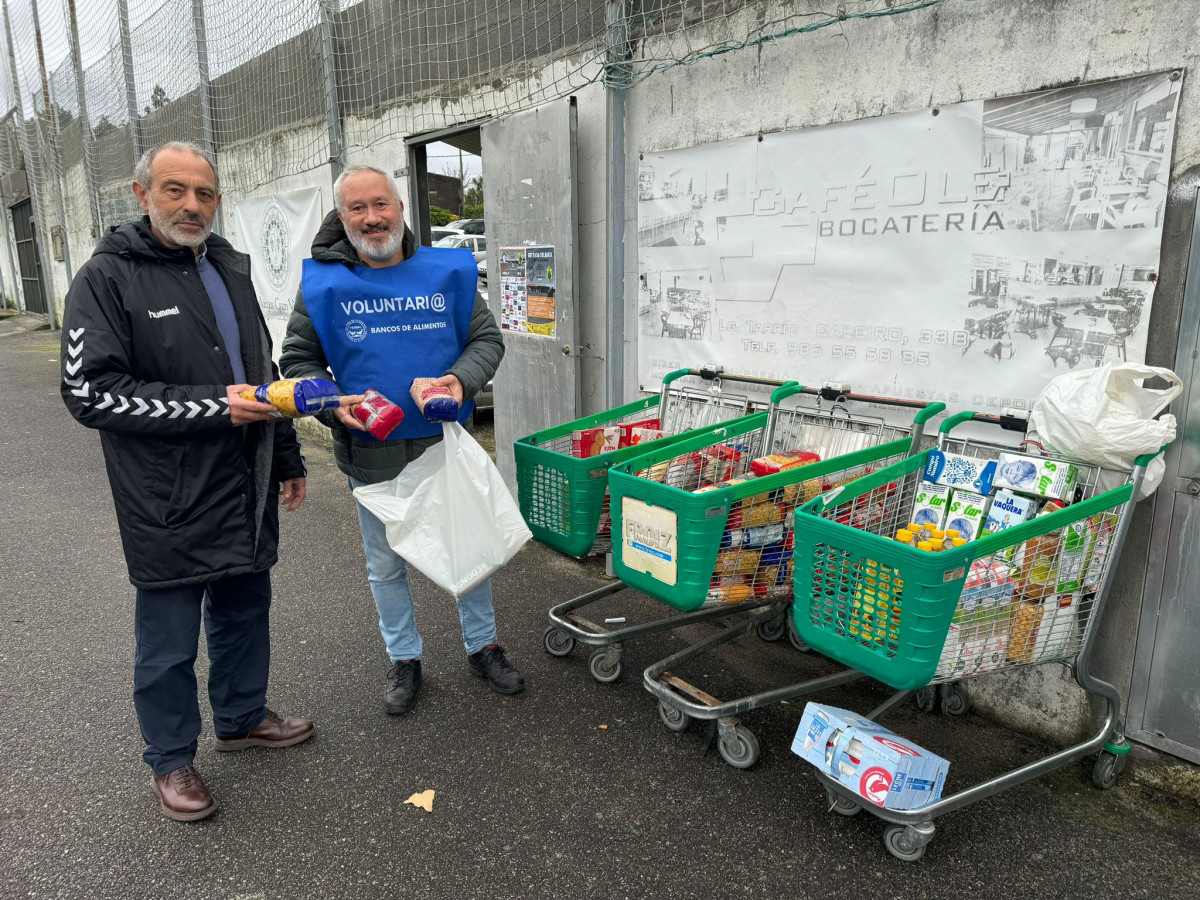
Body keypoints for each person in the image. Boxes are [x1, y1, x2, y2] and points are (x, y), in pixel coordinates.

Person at [60, 141, 325, 822]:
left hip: (246, 478)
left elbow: (262, 369)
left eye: (204, 193)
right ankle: (172, 759)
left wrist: (288, 454)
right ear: (140, 193)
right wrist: (212, 407)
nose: (192, 205)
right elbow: (89, 392)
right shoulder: (106, 278)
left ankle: (240, 718)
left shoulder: (228, 265)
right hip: (168, 495)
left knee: (244, 611)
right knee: (169, 640)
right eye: (175, 190)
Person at [280, 165, 522, 716]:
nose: (372, 218)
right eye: (358, 209)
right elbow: (298, 359)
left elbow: (485, 338)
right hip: (371, 450)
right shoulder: (322, 284)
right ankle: (405, 658)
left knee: (471, 548)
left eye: (381, 204)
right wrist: (335, 404)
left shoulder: (445, 274)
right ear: (342, 218)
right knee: (386, 563)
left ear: (401, 208)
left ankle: (483, 646)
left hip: (443, 442)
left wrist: (459, 380)